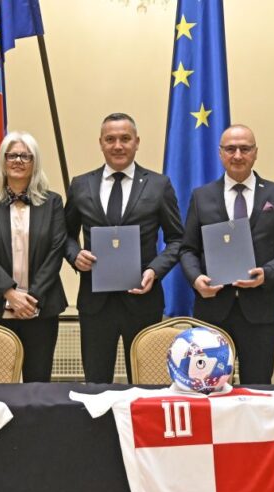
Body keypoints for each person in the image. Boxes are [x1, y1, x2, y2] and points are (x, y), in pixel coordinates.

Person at [64, 113, 184, 383]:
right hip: (95, 304)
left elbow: (177, 239)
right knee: (96, 386)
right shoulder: (81, 184)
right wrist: (75, 255)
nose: (118, 145)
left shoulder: (158, 185)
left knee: (146, 385)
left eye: (125, 139)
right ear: (101, 143)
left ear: (137, 142)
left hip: (143, 300)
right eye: (110, 139)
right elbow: (65, 235)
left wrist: (155, 270)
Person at [180, 124, 274, 384]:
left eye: (245, 149)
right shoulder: (202, 196)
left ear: (255, 152)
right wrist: (196, 279)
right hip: (212, 310)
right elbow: (188, 249)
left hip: (259, 311)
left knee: (257, 389)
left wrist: (268, 273)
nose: (237, 155)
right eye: (230, 149)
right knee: (209, 388)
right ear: (220, 153)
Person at [0, 132, 67, 382]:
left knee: (38, 383)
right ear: (3, 161)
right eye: (12, 155)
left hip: (40, 307)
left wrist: (30, 299)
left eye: (25, 156)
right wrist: (10, 294)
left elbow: (56, 252)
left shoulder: (53, 202)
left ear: (35, 162)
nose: (18, 161)